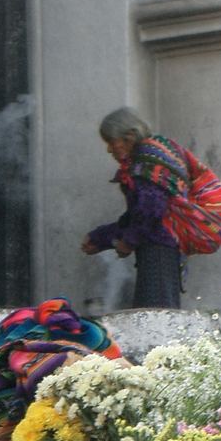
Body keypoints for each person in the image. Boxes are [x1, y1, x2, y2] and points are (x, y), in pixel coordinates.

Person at [81, 107, 190, 309]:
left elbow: (151, 210)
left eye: (111, 142)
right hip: (163, 249)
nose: (109, 149)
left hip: (159, 250)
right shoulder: (152, 156)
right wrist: (101, 238)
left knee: (156, 312)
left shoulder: (144, 163)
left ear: (129, 137)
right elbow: (137, 215)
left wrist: (129, 242)